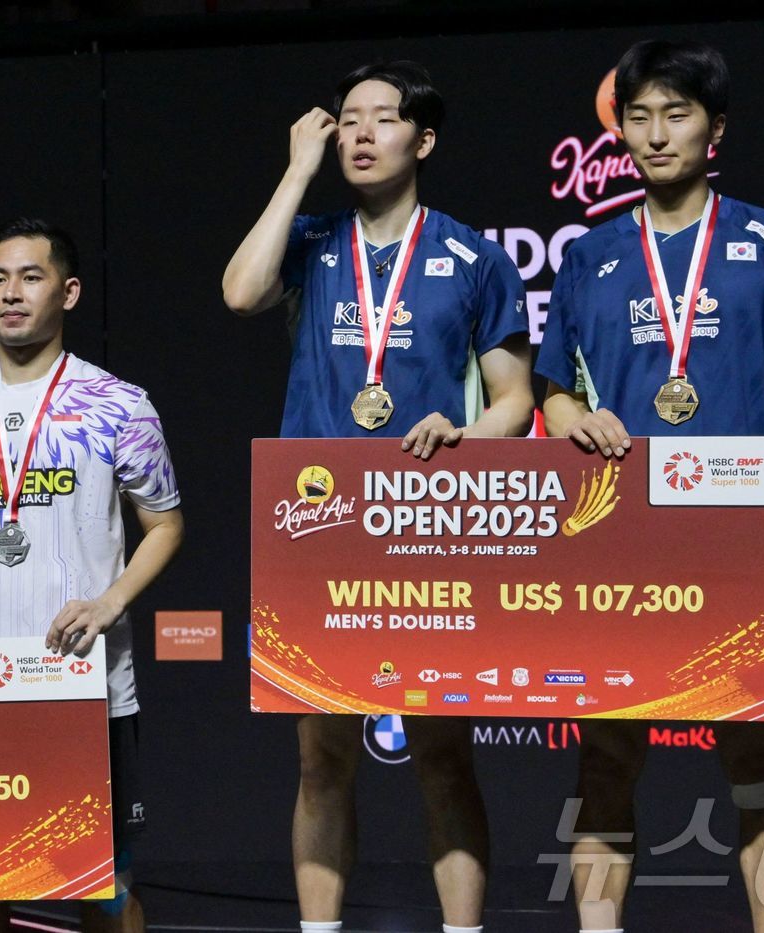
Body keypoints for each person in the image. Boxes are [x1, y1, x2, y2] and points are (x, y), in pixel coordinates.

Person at [223, 61, 535, 933]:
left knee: (444, 757)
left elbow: (515, 401)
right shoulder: (312, 239)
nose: (360, 133)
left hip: (425, 526)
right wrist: (296, 171)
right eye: (347, 119)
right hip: (316, 527)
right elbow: (240, 293)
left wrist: (464, 436)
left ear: (423, 140)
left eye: (383, 118)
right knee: (322, 761)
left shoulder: (474, 257)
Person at [536, 39, 764, 933]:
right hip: (619, 539)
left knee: (758, 762)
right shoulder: (589, 254)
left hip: (737, 535)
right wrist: (574, 418)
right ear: (621, 131)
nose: (657, 134)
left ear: (715, 128)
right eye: (640, 117)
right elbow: (551, 394)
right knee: (605, 761)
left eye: (677, 113)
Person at [0, 218, 183, 933]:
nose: (11, 294)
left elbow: (166, 524)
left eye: (30, 277)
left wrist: (110, 601)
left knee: (104, 893)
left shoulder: (120, 404)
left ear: (69, 292)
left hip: (82, 685)